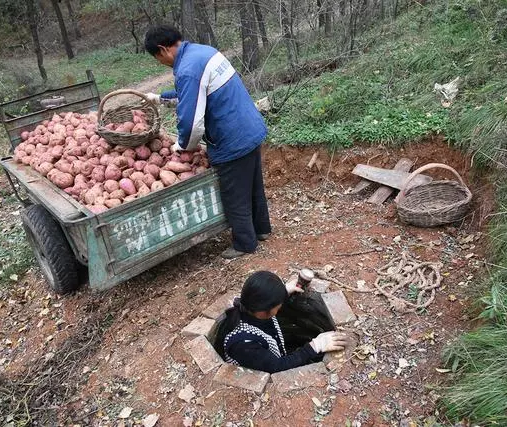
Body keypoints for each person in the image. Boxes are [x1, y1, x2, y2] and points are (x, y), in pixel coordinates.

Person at [143, 25, 271, 259]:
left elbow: (192, 122)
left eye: (157, 58)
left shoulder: (188, 68)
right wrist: (160, 97)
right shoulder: (202, 52)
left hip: (231, 137)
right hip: (249, 126)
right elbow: (193, 91)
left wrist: (183, 146)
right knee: (253, 184)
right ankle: (262, 229)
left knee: (235, 194)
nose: (160, 63)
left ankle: (245, 244)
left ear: (163, 50)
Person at [214, 271, 351, 373]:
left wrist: (282, 292)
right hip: (262, 367)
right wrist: (315, 346)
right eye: (278, 306)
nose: (281, 308)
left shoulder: (253, 308)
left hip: (270, 355)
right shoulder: (244, 345)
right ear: (264, 310)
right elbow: (277, 367)